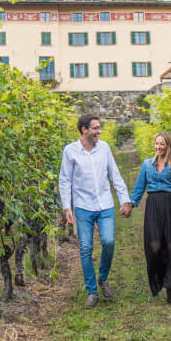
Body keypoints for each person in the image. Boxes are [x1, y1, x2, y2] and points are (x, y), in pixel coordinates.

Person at [58, 114, 132, 308]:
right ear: (84, 129)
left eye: (99, 128)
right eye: (96, 128)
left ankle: (103, 278)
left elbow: (115, 174)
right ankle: (92, 291)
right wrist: (67, 206)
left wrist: (125, 200)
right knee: (85, 248)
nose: (99, 131)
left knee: (108, 242)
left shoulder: (104, 148)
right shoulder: (70, 151)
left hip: (105, 204)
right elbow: (65, 180)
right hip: (83, 206)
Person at [129, 131, 171, 304]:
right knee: (155, 246)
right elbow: (139, 187)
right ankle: (159, 280)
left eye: (161, 144)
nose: (158, 147)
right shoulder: (147, 164)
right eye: (156, 143)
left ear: (169, 145)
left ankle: (170, 287)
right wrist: (130, 204)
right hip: (153, 206)